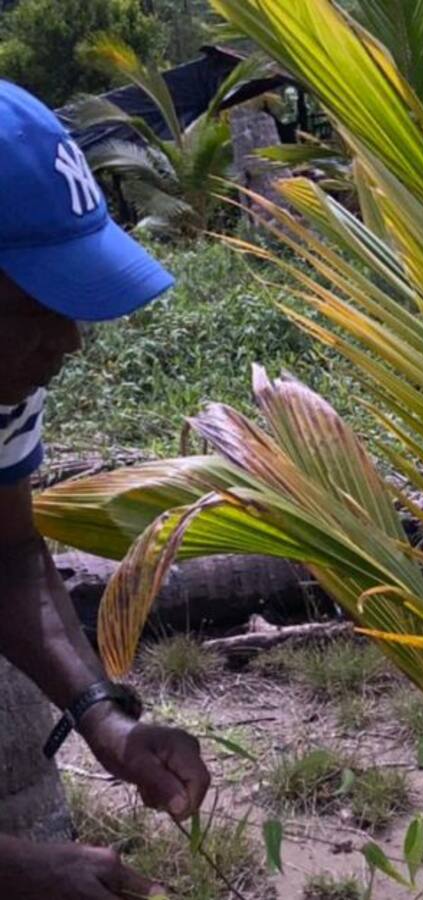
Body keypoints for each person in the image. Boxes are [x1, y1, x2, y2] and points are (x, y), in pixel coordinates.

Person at [0, 82, 211, 897]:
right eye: (35, 304)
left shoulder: (5, 378)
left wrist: (107, 720)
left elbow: (10, 552)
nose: (72, 342)